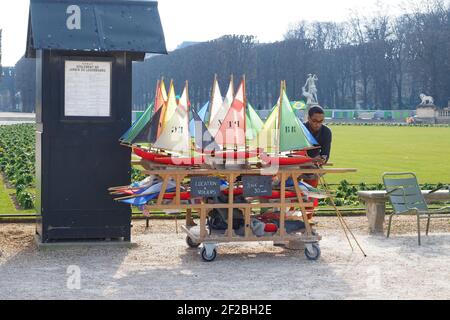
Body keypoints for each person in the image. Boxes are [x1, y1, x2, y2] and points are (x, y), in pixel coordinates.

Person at [303, 105, 332, 187]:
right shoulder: (301, 129)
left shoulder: (326, 132)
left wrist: (322, 159)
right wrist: (309, 159)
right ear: (308, 118)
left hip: (314, 164)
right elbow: (293, 150)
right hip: (298, 161)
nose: (318, 124)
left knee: (311, 187)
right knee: (291, 183)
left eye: (321, 121)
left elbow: (325, 153)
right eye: (315, 121)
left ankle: (310, 198)